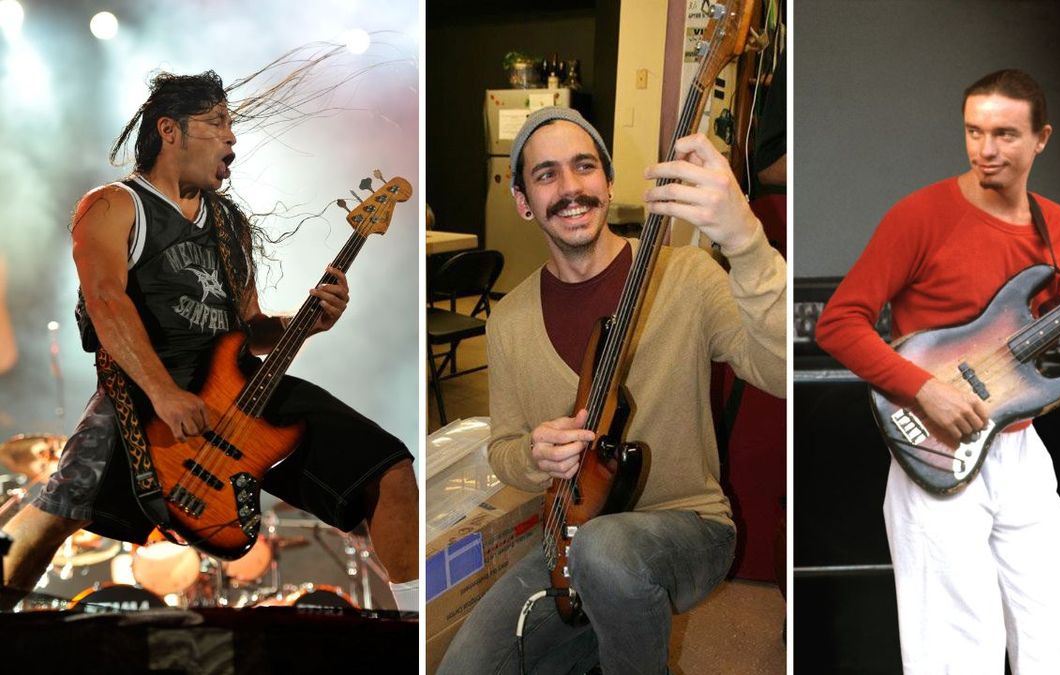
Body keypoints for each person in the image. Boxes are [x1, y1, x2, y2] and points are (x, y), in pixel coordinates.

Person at [0, 70, 419, 612]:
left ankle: (411, 628)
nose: (232, 138)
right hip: (147, 388)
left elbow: (251, 328)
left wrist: (306, 321)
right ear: (169, 130)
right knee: (54, 515)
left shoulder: (229, 224)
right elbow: (106, 301)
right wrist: (163, 393)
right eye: (217, 123)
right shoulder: (114, 205)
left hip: (240, 392)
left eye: (232, 125)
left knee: (385, 468)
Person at [815, 69, 1060, 673]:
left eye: (1006, 134)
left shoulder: (1054, 225)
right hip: (936, 447)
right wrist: (925, 390)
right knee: (955, 650)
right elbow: (839, 323)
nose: (986, 150)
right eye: (974, 131)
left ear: (1042, 138)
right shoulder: (921, 215)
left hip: (1017, 451)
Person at [437, 107, 787, 673]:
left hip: (688, 525)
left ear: (608, 181)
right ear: (524, 201)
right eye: (547, 174)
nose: (571, 187)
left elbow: (780, 370)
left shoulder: (688, 277)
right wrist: (534, 454)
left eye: (584, 167)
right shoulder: (509, 323)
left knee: (609, 556)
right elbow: (503, 451)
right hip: (570, 536)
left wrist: (746, 241)